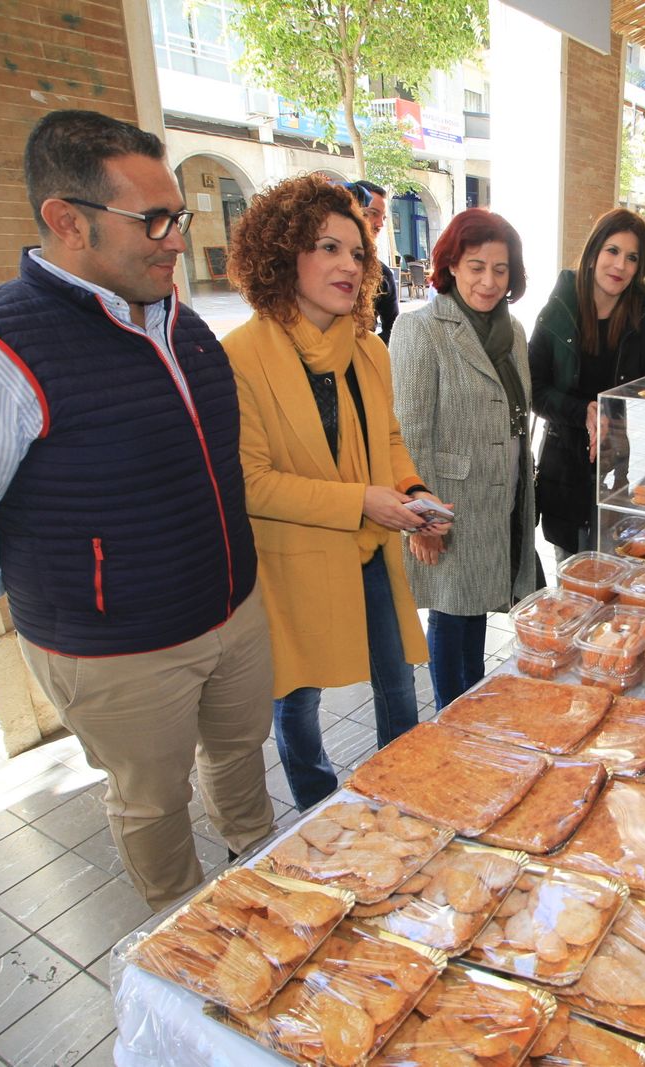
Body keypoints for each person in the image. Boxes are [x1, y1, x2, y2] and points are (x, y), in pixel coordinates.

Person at [0, 110, 274, 910]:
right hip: (115, 651)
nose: (176, 240)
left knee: (239, 754)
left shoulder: (176, 319)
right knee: (151, 797)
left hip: (230, 610)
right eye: (154, 220)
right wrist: (44, 586)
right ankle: (182, 931)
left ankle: (262, 873)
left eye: (179, 216)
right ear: (67, 221)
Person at [222, 175, 447, 811]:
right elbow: (251, 483)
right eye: (327, 247)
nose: (347, 264)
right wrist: (361, 501)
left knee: (398, 682)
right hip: (290, 562)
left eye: (356, 252)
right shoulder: (240, 356)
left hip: (372, 548)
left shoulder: (369, 349)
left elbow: (391, 441)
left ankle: (405, 803)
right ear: (281, 253)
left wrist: (413, 493)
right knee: (298, 701)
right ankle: (317, 811)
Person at [389, 209, 541, 709]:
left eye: (500, 269)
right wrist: (424, 521)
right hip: (450, 503)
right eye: (476, 266)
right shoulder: (421, 330)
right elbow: (407, 434)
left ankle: (472, 709)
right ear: (452, 265)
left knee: (474, 615)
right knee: (452, 618)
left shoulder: (513, 330)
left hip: (502, 495)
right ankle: (450, 719)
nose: (488, 281)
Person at [531, 209, 645, 560]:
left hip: (625, 465)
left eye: (632, 257)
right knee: (573, 573)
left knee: (621, 566)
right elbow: (533, 387)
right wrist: (584, 412)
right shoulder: (560, 308)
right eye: (612, 251)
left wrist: (618, 419)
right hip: (565, 465)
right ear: (593, 253)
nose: (620, 265)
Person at [348, 179, 400, 345]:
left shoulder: (383, 274)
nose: (380, 224)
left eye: (383, 217)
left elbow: (394, 329)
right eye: (373, 213)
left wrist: (368, 349)